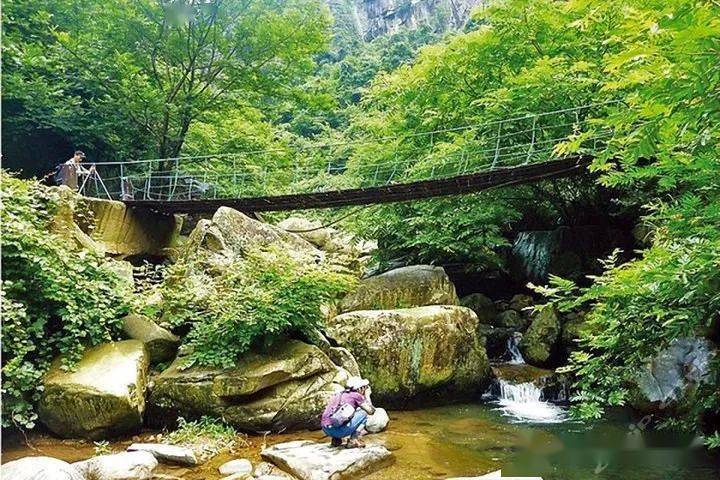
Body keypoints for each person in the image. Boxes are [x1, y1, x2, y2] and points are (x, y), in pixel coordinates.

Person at [321, 377, 376, 448]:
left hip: (325, 429)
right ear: (359, 388)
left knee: (343, 414)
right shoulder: (357, 395)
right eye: (364, 387)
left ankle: (336, 440)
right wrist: (367, 396)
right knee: (363, 413)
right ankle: (353, 440)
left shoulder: (339, 394)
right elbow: (371, 411)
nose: (365, 389)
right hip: (338, 431)